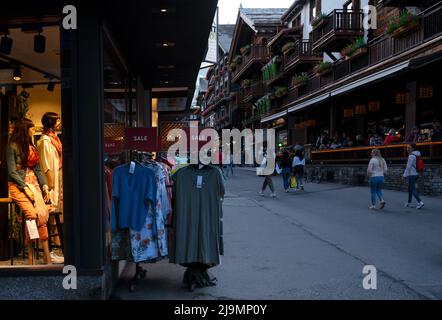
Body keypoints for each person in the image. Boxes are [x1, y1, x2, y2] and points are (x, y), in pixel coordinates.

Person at [6, 119, 51, 265]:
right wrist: (24, 187)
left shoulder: (31, 146)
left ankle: (46, 255)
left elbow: (37, 169)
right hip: (18, 185)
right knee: (31, 215)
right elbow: (12, 172)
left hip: (34, 184)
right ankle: (31, 254)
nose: (33, 131)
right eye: (31, 129)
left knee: (42, 215)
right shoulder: (11, 147)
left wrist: (44, 185)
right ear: (25, 130)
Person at [403, 144, 424, 209]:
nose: (407, 149)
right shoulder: (417, 155)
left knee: (412, 189)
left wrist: (404, 175)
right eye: (407, 148)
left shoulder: (411, 156)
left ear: (413, 148)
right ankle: (409, 202)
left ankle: (420, 202)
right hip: (416, 173)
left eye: (409, 148)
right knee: (410, 188)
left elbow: (408, 167)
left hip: (411, 174)